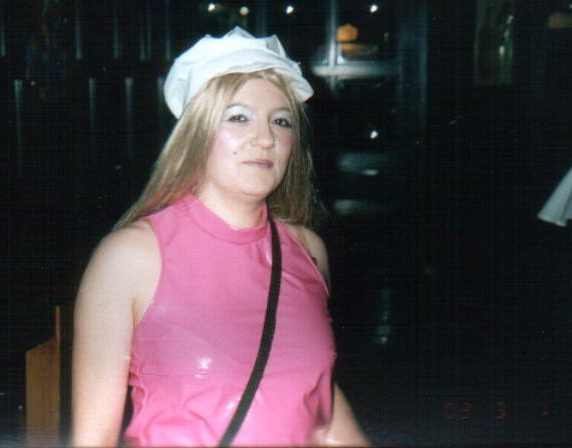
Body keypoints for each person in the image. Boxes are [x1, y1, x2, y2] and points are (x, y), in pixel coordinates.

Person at [71, 27, 369, 447]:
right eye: (239, 117)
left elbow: (319, 409)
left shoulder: (307, 251)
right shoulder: (131, 256)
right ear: (197, 134)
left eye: (280, 121)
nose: (265, 138)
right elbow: (92, 439)